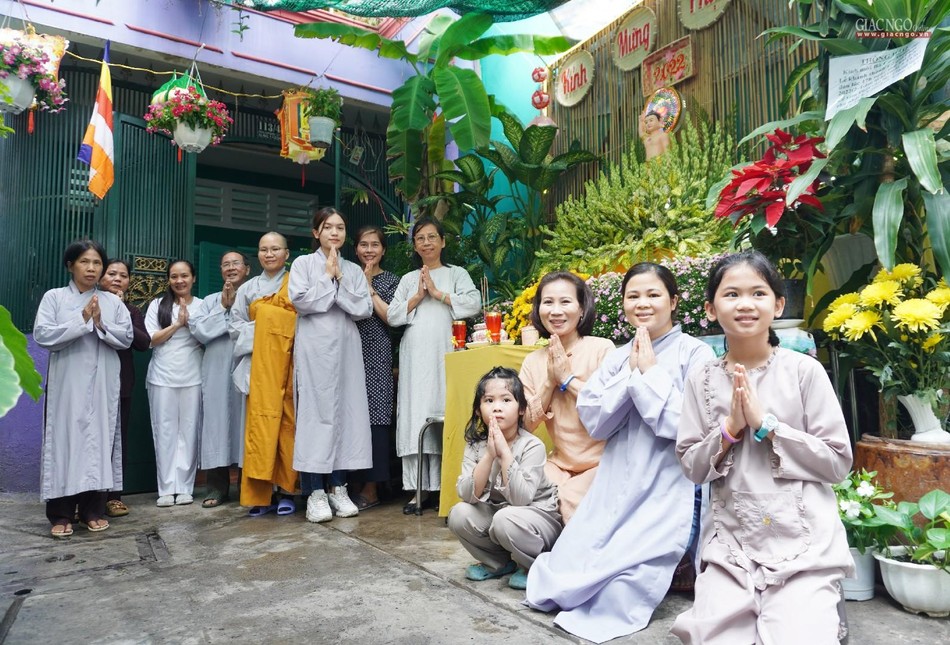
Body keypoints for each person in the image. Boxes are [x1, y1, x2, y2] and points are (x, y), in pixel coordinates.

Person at [525, 263, 715, 642]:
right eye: (633, 296)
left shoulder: (696, 353)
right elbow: (595, 419)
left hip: (667, 480)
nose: (642, 304)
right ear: (623, 304)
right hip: (619, 474)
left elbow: (692, 427)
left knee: (626, 580)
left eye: (653, 295)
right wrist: (633, 373)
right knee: (570, 566)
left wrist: (648, 374)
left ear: (674, 301)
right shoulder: (619, 356)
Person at [671, 251, 853, 644]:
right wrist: (729, 429)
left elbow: (837, 462)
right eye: (731, 294)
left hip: (802, 541)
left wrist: (766, 425)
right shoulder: (701, 380)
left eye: (758, 293)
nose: (746, 304)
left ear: (778, 304)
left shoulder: (804, 371)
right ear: (710, 307)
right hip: (730, 543)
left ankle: (818, 604)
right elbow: (691, 466)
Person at [34, 240, 133, 537]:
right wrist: (82, 320)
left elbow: (126, 338)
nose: (91, 268)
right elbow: (43, 334)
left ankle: (92, 510)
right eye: (84, 262)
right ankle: (61, 513)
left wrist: (101, 323)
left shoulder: (113, 302)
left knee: (98, 442)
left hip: (103, 383)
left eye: (97, 263)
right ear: (70, 265)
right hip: (68, 383)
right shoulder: (54, 298)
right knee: (65, 441)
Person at [389, 216, 480, 514]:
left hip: (446, 349)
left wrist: (438, 294)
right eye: (420, 238)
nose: (426, 242)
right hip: (415, 355)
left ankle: (444, 488)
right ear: (414, 246)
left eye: (431, 237)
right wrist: (417, 296)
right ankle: (418, 491)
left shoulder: (457, 274)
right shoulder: (407, 280)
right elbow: (393, 316)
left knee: (444, 411)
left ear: (443, 241)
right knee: (416, 414)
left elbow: (473, 303)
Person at [289, 207, 373, 523]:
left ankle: (339, 487)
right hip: (314, 349)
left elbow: (363, 308)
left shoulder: (351, 269)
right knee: (316, 415)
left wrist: (340, 280)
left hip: (347, 348)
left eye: (339, 227)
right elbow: (301, 301)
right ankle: (315, 493)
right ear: (316, 233)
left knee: (346, 415)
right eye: (328, 227)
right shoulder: (302, 264)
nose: (334, 233)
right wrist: (327, 278)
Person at [448, 367, 561, 590]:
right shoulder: (475, 446)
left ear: (521, 409)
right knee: (458, 514)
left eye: (506, 400)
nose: (497, 407)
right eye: (489, 400)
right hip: (502, 514)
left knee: (505, 518)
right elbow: (467, 494)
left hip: (536, 518)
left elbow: (520, 499)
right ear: (479, 410)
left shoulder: (531, 446)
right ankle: (498, 563)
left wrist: (505, 453)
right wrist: (490, 454)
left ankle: (531, 566)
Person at [518, 271, 614, 524]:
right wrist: (550, 381)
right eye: (548, 302)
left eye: (565, 302)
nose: (556, 311)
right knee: (519, 496)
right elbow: (526, 424)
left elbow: (609, 409)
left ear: (582, 309)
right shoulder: (533, 361)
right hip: (559, 464)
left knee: (568, 499)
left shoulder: (601, 349)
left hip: (602, 462)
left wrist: (567, 379)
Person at [230, 232, 298, 516]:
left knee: (287, 427)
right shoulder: (248, 288)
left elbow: (302, 319)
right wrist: (267, 327)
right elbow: (235, 327)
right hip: (260, 368)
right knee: (259, 429)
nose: (269, 254)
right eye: (263, 250)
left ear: (286, 254)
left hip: (289, 363)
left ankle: (287, 491)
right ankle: (260, 494)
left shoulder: (295, 283)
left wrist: (268, 321)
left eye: (275, 249)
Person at [189, 250, 250, 508]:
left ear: (247, 269)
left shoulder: (255, 294)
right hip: (216, 370)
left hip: (247, 366)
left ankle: (250, 488)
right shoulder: (210, 301)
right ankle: (216, 487)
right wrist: (224, 308)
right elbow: (200, 331)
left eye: (236, 263)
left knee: (247, 425)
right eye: (225, 264)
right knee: (216, 425)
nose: (231, 267)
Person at [145, 260, 204, 507]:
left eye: (184, 276)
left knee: (189, 432)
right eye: (174, 277)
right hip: (162, 377)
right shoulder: (157, 305)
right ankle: (167, 488)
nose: (179, 281)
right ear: (168, 280)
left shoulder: (203, 306)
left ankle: (185, 487)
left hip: (193, 377)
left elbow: (208, 337)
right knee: (165, 431)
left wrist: (191, 322)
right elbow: (152, 339)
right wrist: (178, 323)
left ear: (193, 278)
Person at [350, 225, 400, 510]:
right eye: (364, 244)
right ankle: (350, 484)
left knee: (376, 414)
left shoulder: (391, 281)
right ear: (356, 248)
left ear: (383, 250)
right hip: (347, 349)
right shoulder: (344, 275)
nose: (369, 250)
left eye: (375, 245)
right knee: (351, 414)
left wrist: (368, 288)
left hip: (376, 350)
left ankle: (371, 488)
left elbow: (391, 317)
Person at [98, 259, 151, 518]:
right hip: (91, 383)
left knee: (118, 440)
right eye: (111, 274)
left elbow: (143, 342)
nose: (117, 279)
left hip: (121, 383)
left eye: (123, 275)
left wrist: (122, 310)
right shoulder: (89, 305)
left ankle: (113, 497)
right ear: (99, 277)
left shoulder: (132, 310)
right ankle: (84, 498)